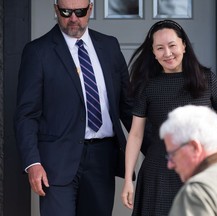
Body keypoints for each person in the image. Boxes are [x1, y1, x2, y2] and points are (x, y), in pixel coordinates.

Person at [14, 0, 133, 215]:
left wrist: (159, 149)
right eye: (66, 11)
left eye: (79, 11)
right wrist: (32, 162)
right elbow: (26, 114)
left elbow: (127, 106)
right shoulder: (38, 51)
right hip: (56, 162)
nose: (73, 18)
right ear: (55, 9)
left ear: (90, 8)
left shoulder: (110, 46)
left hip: (102, 158)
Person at [121, 19, 217, 215]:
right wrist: (128, 179)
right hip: (158, 173)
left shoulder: (206, 79)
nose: (167, 53)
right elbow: (135, 135)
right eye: (159, 48)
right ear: (153, 52)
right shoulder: (147, 86)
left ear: (184, 45)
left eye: (172, 46)